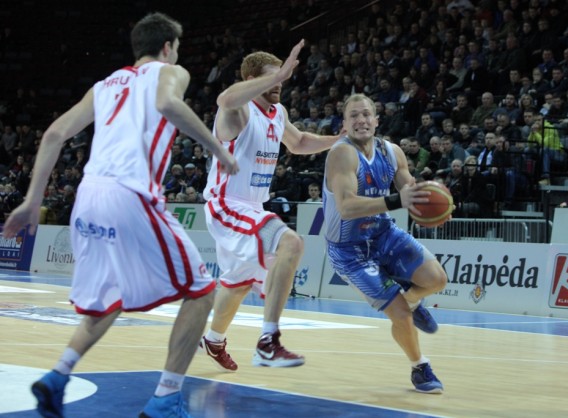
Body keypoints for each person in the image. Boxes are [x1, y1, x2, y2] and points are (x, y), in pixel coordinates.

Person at [1, 12, 239, 418]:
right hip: (130, 193)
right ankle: (165, 400)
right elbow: (167, 103)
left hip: (88, 197)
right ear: (167, 47)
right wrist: (218, 150)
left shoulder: (105, 84)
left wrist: (32, 199)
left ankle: (57, 376)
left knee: (109, 296)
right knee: (201, 292)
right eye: (176, 49)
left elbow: (55, 133)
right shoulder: (171, 71)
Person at [200, 40, 341, 371]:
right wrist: (277, 73)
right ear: (253, 80)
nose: (280, 82)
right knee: (290, 242)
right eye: (273, 77)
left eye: (282, 77)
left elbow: (299, 142)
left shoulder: (278, 113)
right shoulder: (239, 109)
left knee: (238, 282)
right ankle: (268, 343)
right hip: (226, 204)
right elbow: (224, 99)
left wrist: (339, 139)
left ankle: (213, 339)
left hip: (252, 207)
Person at [322, 93, 447, 393]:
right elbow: (346, 207)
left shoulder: (392, 152)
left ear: (377, 120)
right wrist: (396, 201)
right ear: (344, 124)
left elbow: (411, 191)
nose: (361, 120)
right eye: (353, 115)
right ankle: (420, 367)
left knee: (437, 279)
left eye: (366, 114)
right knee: (400, 314)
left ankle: (414, 301)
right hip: (349, 250)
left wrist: (436, 207)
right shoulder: (342, 154)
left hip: (383, 234)